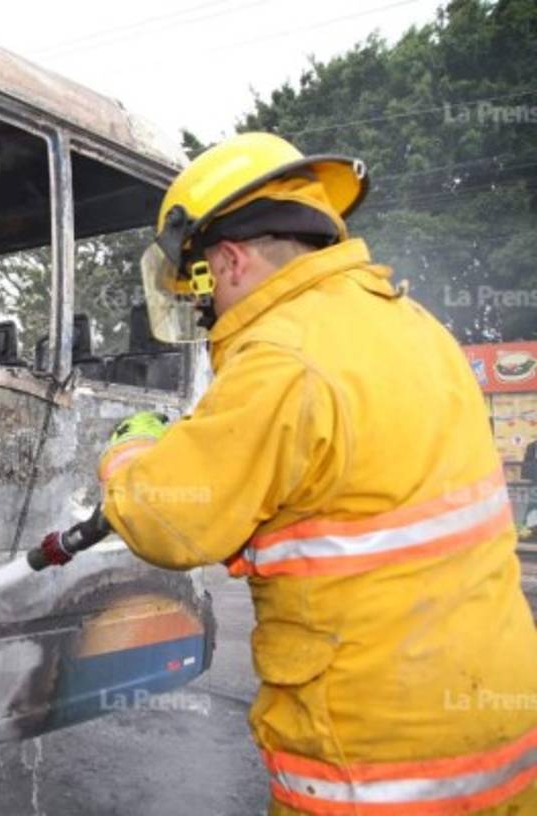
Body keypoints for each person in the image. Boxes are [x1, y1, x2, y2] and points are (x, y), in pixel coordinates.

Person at [99, 132, 537, 815]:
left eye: (201, 293)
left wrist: (128, 451)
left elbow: (167, 523)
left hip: (376, 766)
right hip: (498, 733)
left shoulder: (279, 359)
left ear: (232, 262)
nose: (207, 314)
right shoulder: (414, 325)